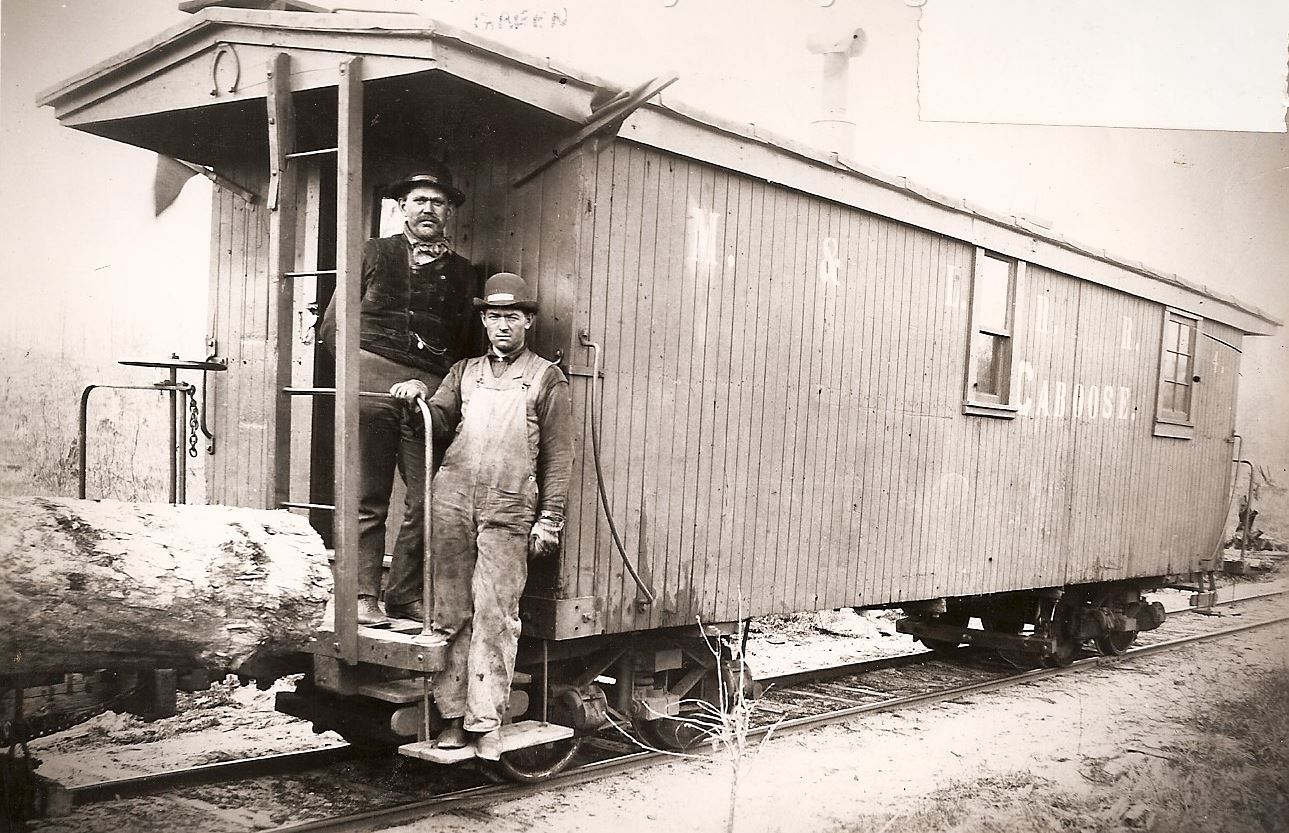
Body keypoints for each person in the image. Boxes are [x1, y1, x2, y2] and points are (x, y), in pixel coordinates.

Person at [391, 272, 573, 761]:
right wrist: (417, 400)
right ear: (484, 321)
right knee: (450, 612)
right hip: (452, 498)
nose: (502, 326)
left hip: (510, 505)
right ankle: (452, 719)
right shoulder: (463, 371)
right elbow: (439, 420)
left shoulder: (546, 377)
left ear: (528, 322)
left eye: (512, 317)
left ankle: (486, 722)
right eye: (494, 317)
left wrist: (549, 518)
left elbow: (558, 457)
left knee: (495, 614)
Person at [319, 163, 479, 625]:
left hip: (427, 398)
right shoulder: (372, 252)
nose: (428, 209)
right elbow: (333, 327)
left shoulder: (464, 274)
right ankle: (362, 596)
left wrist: (439, 393)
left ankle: (403, 594)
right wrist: (361, 380)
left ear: (449, 212)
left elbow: (466, 349)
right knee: (368, 499)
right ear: (402, 207)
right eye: (420, 200)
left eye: (438, 202)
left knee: (428, 498)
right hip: (369, 391)